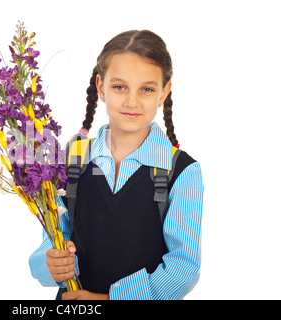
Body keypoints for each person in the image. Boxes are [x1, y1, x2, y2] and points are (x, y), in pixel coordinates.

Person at [29, 30, 204, 300]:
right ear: (101, 87)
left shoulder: (181, 171)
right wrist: (50, 263)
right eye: (119, 87)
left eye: (146, 89)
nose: (132, 101)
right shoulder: (70, 159)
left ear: (163, 92)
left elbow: (184, 268)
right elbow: (51, 238)